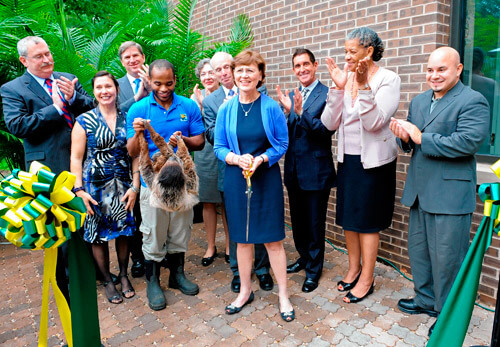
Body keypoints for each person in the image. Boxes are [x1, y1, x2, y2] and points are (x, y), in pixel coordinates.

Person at [389, 46, 489, 336]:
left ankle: (447, 315)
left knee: (448, 261)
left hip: (450, 197)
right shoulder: (420, 101)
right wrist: (405, 139)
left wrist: (420, 137)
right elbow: (413, 144)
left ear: (458, 70)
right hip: (420, 192)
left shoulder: (473, 101)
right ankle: (425, 299)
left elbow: (468, 142)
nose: (434, 75)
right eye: (430, 69)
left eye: (441, 69)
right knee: (419, 253)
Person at [0, 36, 94, 301]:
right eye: (39, 56)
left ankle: (96, 276)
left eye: (48, 53)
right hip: (48, 171)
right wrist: (56, 108)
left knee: (88, 222)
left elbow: (92, 108)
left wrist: (74, 96)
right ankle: (67, 291)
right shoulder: (13, 89)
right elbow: (18, 126)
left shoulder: (68, 79)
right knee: (61, 235)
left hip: (81, 164)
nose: (47, 59)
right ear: (24, 61)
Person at [321, 27, 400, 304]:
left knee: (367, 223)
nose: (347, 57)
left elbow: (374, 122)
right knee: (349, 219)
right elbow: (329, 123)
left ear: (369, 51)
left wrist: (363, 86)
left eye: (352, 51)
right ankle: (353, 268)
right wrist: (338, 89)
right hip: (348, 160)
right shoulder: (347, 78)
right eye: (345, 51)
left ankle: (367, 277)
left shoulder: (388, 79)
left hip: (374, 165)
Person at [213, 50, 294, 322]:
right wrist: (236, 158)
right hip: (237, 179)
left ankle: (283, 295)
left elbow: (282, 144)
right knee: (242, 241)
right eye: (239, 70)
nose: (244, 75)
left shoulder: (270, 107)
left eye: (250, 70)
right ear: (233, 75)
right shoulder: (226, 109)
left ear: (260, 75)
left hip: (266, 178)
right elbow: (219, 147)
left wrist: (261, 158)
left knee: (273, 240)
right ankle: (245, 291)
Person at [126, 59, 205, 311]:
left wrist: (183, 141)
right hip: (153, 182)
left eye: (169, 83)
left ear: (174, 80)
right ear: (148, 80)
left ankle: (176, 275)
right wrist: (138, 133)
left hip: (182, 182)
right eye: (157, 83)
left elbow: (200, 141)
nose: (163, 88)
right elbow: (131, 151)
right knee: (154, 230)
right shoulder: (137, 109)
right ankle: (153, 282)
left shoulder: (188, 105)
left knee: (180, 230)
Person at [203, 52, 273, 293]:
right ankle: (238, 272)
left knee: (260, 220)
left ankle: (262, 269)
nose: (224, 72)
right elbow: (212, 137)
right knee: (236, 223)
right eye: (219, 69)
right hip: (231, 170)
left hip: (260, 172)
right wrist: (226, 117)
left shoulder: (262, 98)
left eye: (226, 67)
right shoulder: (213, 103)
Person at [70, 71, 139, 304]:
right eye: (99, 87)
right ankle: (108, 281)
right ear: (94, 92)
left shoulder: (128, 117)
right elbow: (76, 159)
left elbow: (136, 155)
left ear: (116, 89)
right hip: (94, 188)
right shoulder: (84, 121)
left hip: (123, 186)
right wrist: (79, 190)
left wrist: (135, 186)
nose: (104, 91)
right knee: (98, 236)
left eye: (108, 86)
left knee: (123, 233)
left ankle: (123, 275)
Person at [276, 48, 335, 293]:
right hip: (294, 171)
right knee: (298, 222)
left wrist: (300, 113)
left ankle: (314, 270)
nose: (302, 69)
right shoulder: (292, 95)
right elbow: (287, 136)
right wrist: (286, 113)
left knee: (314, 223)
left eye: (306, 64)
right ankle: (303, 257)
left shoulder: (328, 94)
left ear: (315, 65)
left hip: (316, 171)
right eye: (297, 66)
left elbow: (325, 131)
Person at [190, 58, 229, 266]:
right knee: (208, 201)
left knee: (226, 201)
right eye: (203, 74)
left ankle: (231, 245)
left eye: (211, 72)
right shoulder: (194, 98)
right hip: (204, 152)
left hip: (224, 152)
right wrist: (199, 106)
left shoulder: (228, 94)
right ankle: (211, 245)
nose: (207, 77)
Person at [117, 41, 150, 278]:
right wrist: (138, 96)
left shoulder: (157, 78)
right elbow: (113, 112)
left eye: (135, 56)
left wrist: (152, 87)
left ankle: (161, 254)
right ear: (122, 61)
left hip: (155, 155)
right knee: (134, 210)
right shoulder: (116, 86)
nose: (132, 60)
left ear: (143, 57)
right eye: (127, 57)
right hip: (126, 156)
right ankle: (138, 259)